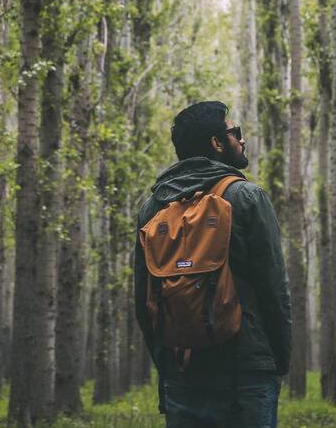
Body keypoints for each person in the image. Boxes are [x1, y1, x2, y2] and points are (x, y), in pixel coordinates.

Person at [133, 101, 292, 428]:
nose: (242, 140)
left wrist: (167, 370)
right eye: (236, 133)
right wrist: (276, 363)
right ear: (217, 144)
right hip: (247, 371)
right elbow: (274, 291)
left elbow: (144, 302)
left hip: (184, 371)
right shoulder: (247, 197)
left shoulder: (152, 209)